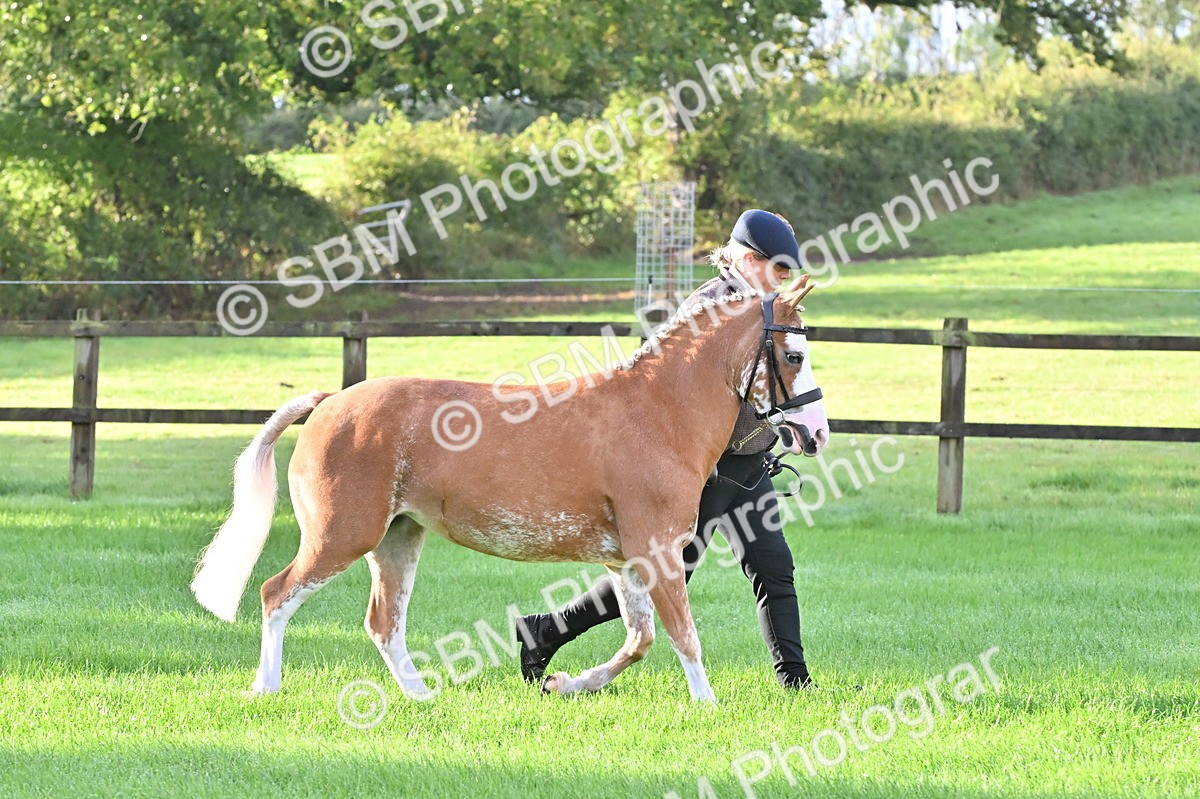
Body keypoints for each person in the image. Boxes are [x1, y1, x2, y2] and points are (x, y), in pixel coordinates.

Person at [517, 209, 815, 690]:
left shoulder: (767, 312)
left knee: (775, 569)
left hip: (749, 465)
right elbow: (671, 388)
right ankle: (545, 631)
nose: (782, 279)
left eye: (785, 271)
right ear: (745, 257)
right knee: (658, 576)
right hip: (701, 472)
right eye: (776, 267)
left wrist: (787, 421)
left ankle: (796, 682)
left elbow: (773, 380)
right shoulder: (710, 306)